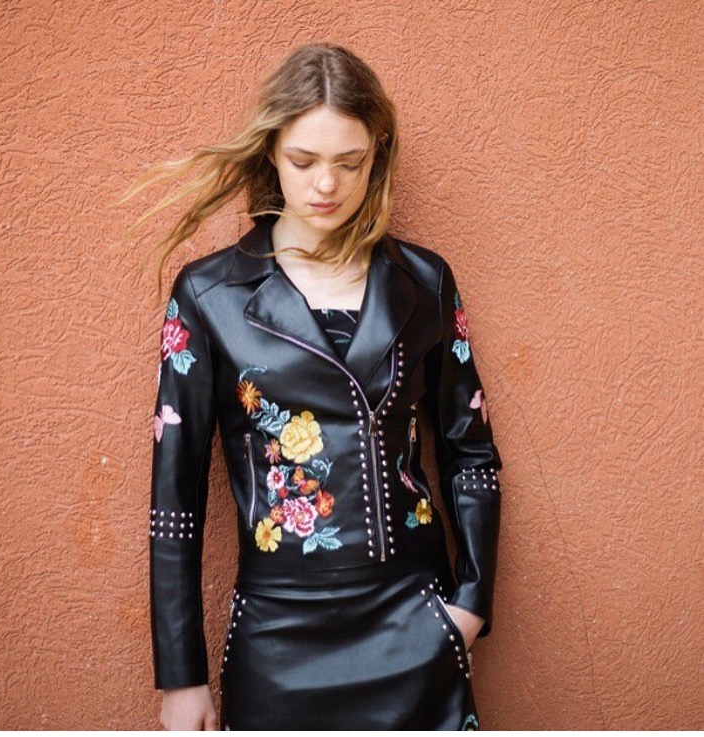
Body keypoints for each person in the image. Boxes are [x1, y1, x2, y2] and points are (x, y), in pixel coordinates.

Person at [119, 42, 503, 730]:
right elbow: (174, 495)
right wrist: (181, 676)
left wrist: (468, 605)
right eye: (303, 161)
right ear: (271, 151)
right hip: (276, 634)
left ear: (377, 155)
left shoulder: (423, 282)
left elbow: (469, 453)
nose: (326, 184)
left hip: (414, 620)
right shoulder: (209, 294)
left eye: (349, 163)